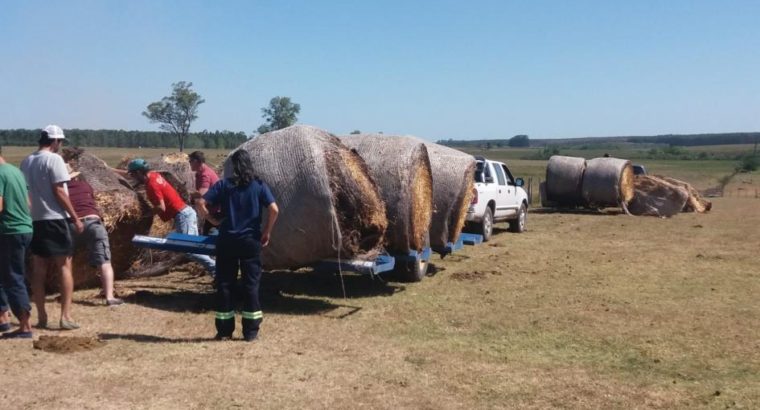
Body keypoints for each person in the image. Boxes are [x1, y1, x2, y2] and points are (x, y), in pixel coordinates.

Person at [198, 149, 279, 341]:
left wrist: (213, 220)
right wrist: (267, 232)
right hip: (250, 242)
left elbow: (201, 202)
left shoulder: (224, 185)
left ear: (234, 167)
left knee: (225, 284)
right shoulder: (259, 185)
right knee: (251, 285)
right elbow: (274, 209)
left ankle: (225, 331)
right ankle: (251, 332)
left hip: (227, 241)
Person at [20, 125, 83, 330]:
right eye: (60, 142)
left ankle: (41, 317)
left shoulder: (26, 161)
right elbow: (59, 191)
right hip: (56, 218)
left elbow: (26, 193)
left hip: (35, 219)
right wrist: (75, 218)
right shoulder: (54, 160)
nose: (60, 145)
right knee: (64, 265)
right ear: (55, 141)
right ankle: (65, 317)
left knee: (39, 268)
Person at [123, 158, 216, 275]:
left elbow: (161, 208)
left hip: (183, 216)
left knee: (188, 249)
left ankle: (216, 269)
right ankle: (216, 269)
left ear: (138, 173)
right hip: (185, 213)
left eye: (132, 174)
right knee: (195, 247)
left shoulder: (152, 185)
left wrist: (144, 215)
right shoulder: (153, 175)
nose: (132, 178)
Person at [65, 162, 124, 306]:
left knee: (66, 261)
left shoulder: (59, 189)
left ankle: (66, 295)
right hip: (93, 222)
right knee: (104, 262)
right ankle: (110, 297)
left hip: (71, 225)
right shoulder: (85, 186)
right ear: (75, 177)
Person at [0, 148, 34, 338]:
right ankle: (3, 320)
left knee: (13, 277)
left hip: (9, 231)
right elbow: (28, 203)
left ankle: (25, 326)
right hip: (23, 228)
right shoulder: (15, 172)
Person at [188, 151, 220, 235]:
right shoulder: (200, 173)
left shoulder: (205, 175)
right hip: (211, 209)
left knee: (209, 238)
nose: (189, 163)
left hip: (215, 212)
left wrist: (186, 194)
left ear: (196, 161)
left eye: (190, 161)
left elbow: (202, 194)